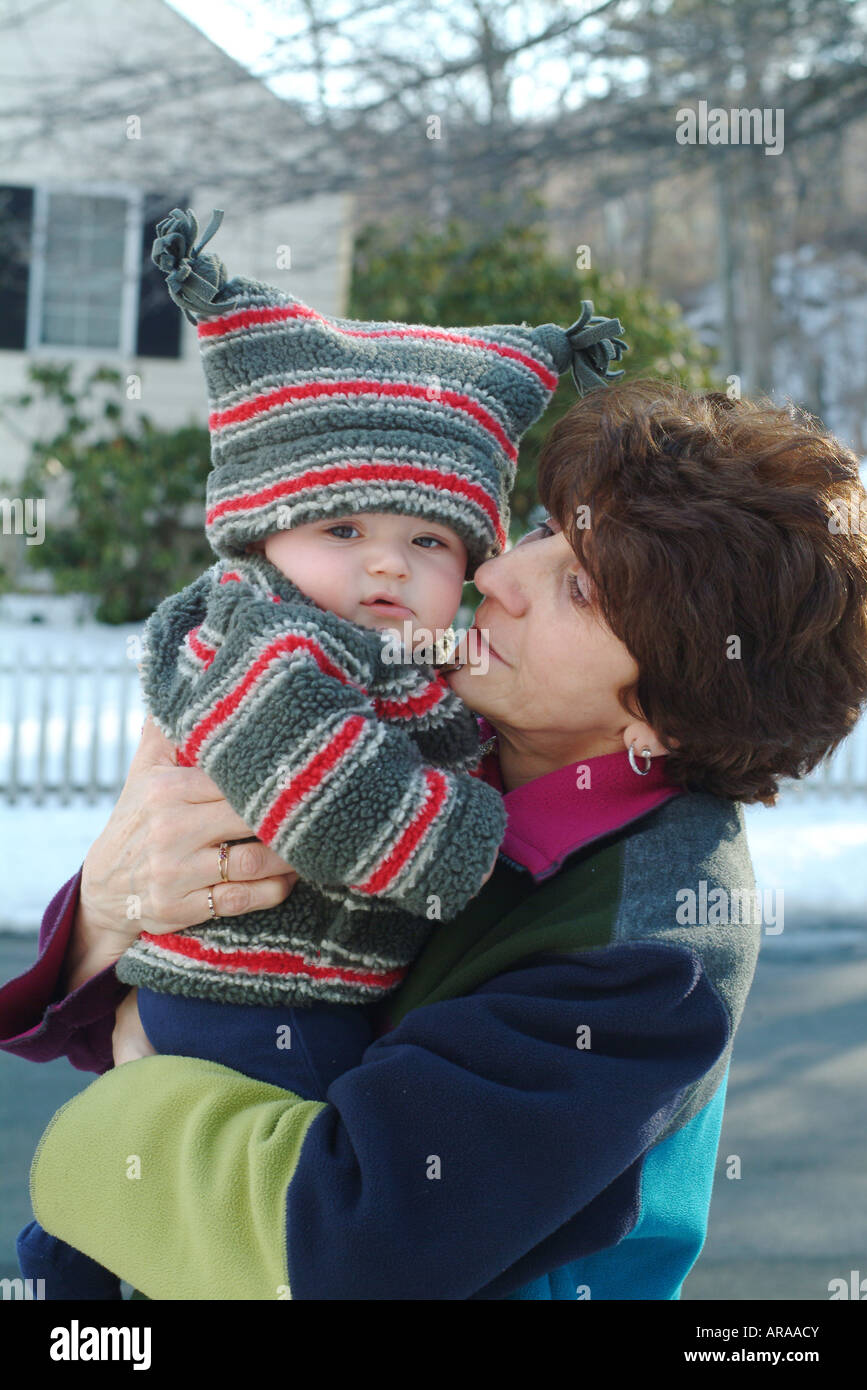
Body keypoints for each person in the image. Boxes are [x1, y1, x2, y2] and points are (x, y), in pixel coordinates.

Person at [4, 378, 867, 1300]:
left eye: (578, 587)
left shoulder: (652, 948)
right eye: (539, 530)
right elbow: (218, 964)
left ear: (676, 717)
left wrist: (120, 1110)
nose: (494, 574)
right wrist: (109, 906)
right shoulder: (419, 741)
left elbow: (351, 1244)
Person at [12, 206, 627, 1299]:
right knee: (159, 1247)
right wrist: (464, 834)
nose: (384, 567)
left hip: (308, 1018)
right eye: (341, 530)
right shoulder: (269, 639)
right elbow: (346, 810)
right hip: (246, 1009)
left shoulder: (423, 666)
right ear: (263, 529)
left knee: (202, 1232)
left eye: (427, 541)